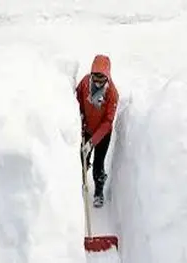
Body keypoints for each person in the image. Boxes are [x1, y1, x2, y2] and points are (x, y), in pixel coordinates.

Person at [76, 54, 119, 208]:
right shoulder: (85, 84)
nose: (98, 82)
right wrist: (79, 118)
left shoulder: (112, 94)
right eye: (95, 78)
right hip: (87, 128)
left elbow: (108, 122)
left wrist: (92, 142)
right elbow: (78, 99)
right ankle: (81, 182)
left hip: (102, 134)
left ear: (107, 77)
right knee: (82, 158)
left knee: (98, 164)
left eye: (102, 79)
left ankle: (98, 192)